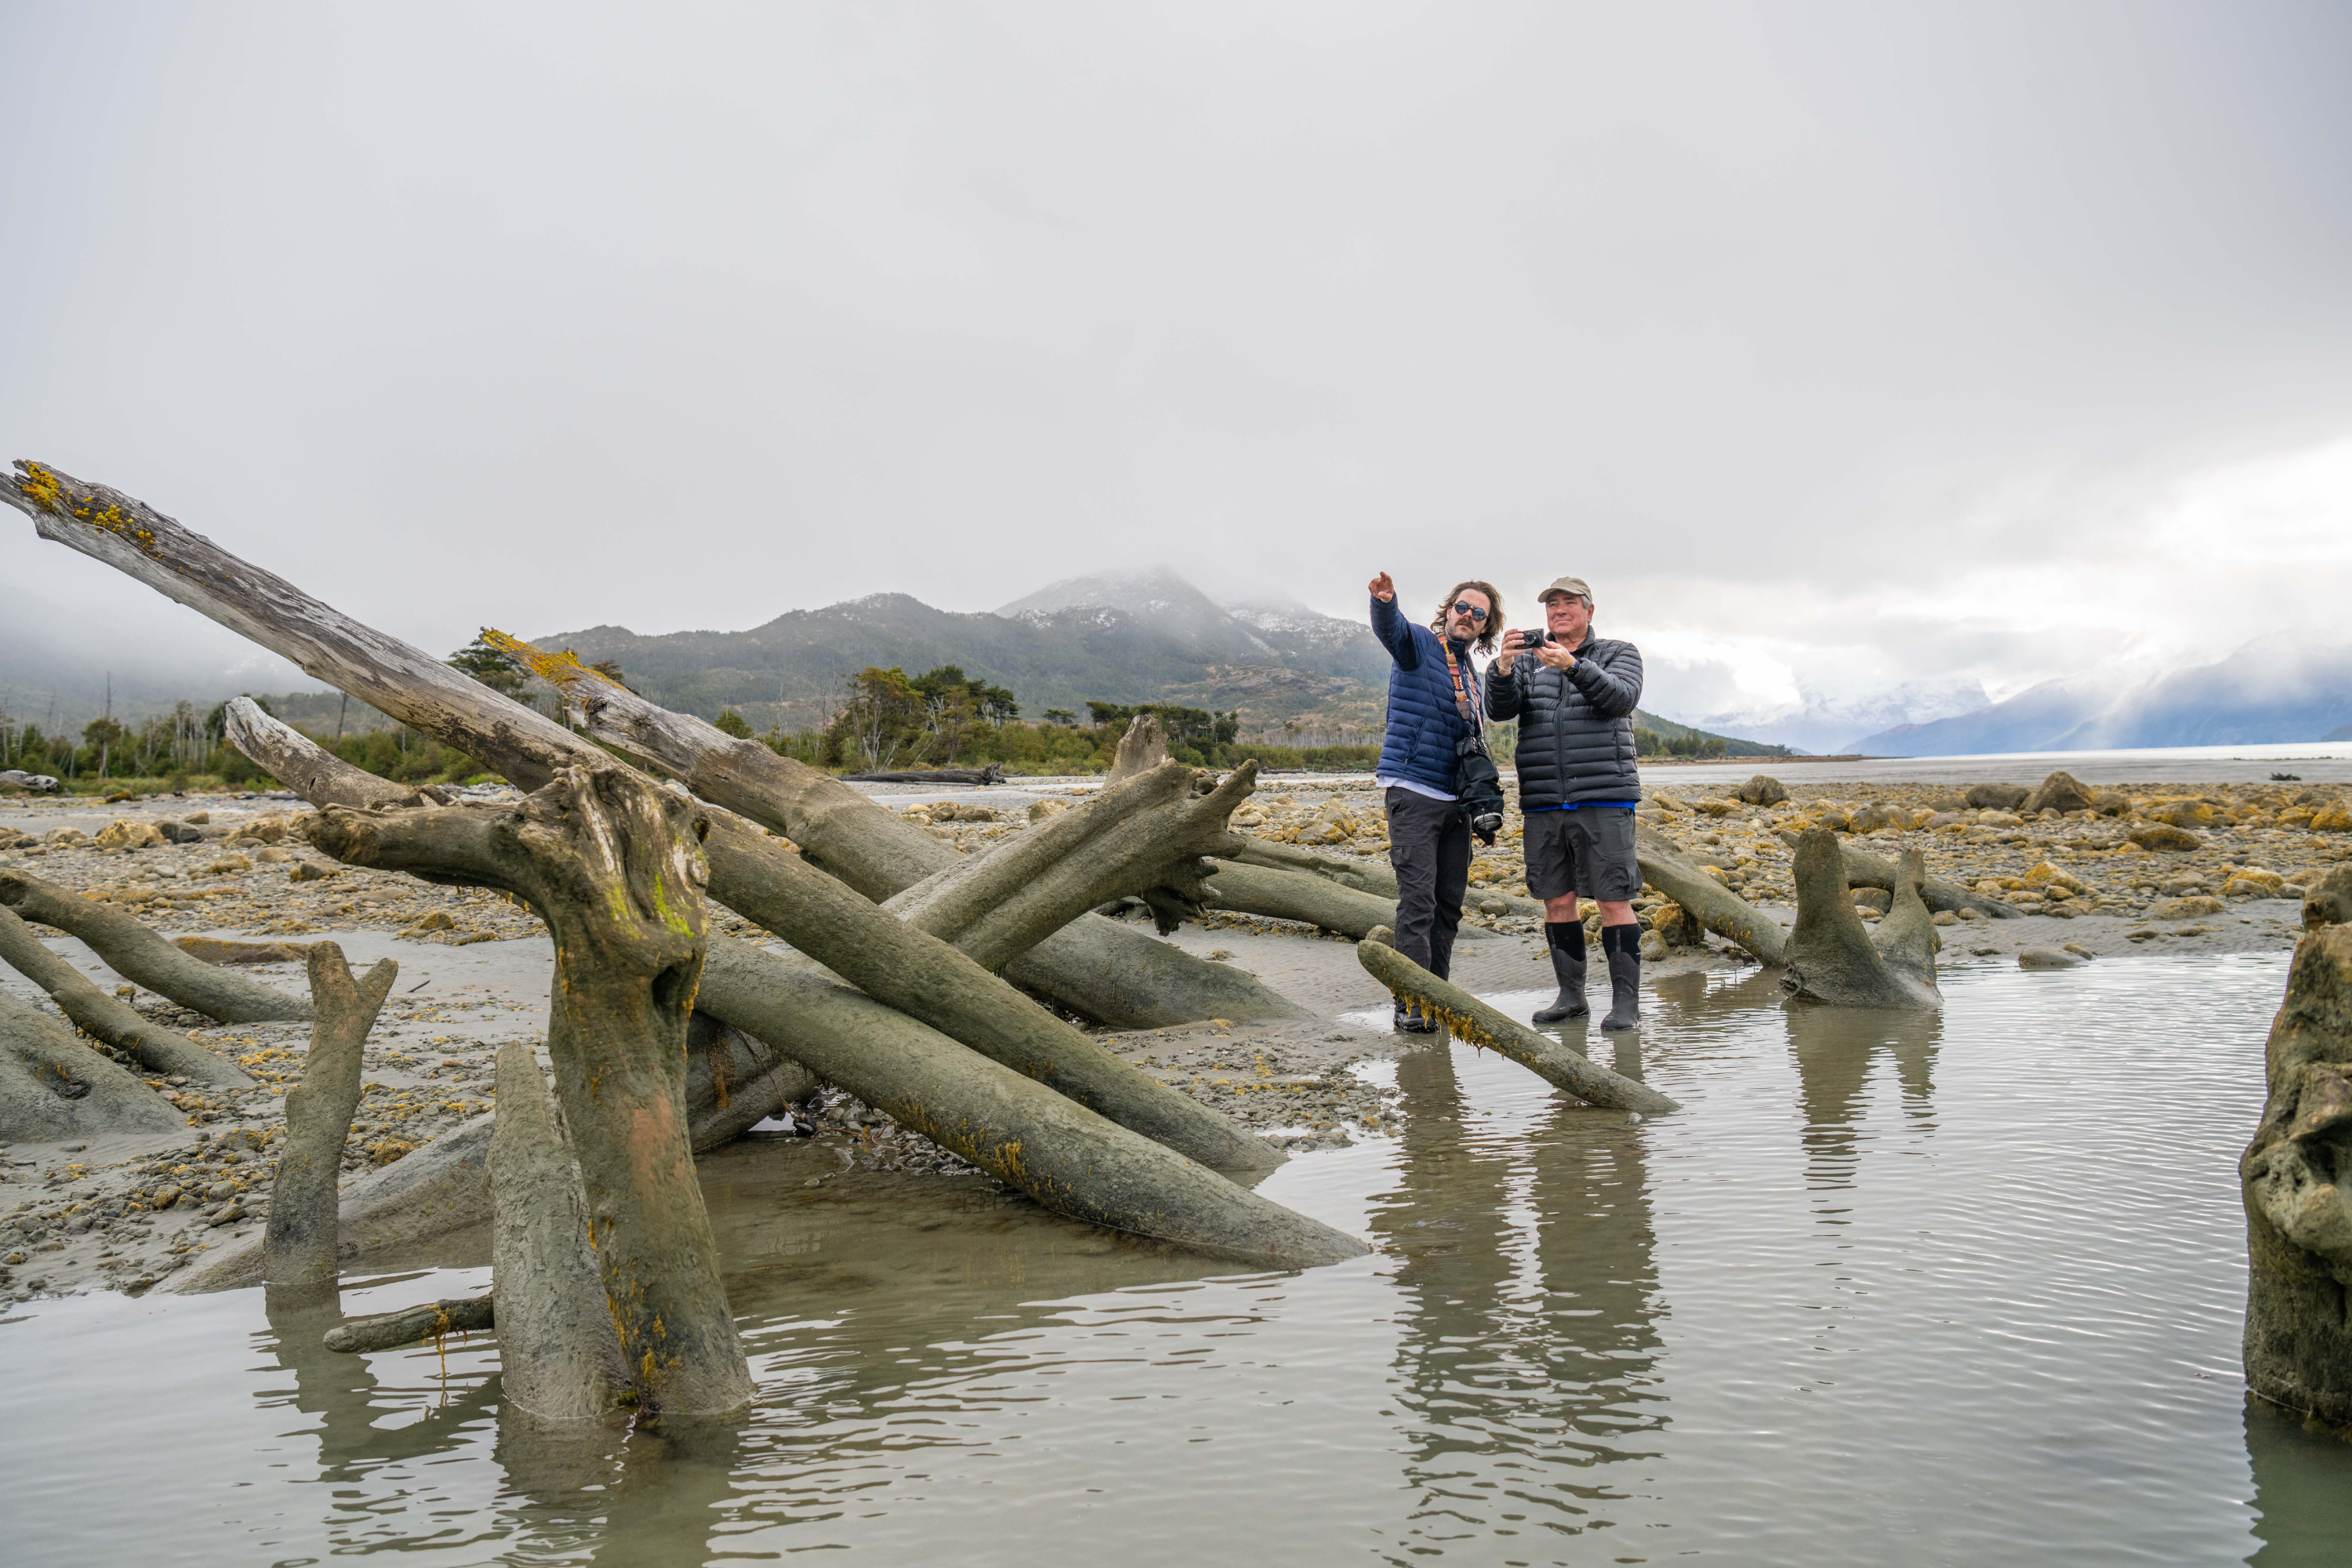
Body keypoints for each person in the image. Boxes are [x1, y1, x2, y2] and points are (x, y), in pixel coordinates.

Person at [1487, 575, 1647, 1031]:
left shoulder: (1619, 653)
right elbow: (1499, 711)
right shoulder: (1525, 661)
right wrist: (1501, 668)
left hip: (1604, 794)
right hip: (1542, 799)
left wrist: (1573, 665)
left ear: (1589, 611)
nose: (1559, 610)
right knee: (1556, 901)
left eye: (1569, 603)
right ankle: (1571, 998)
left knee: (1614, 899)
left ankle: (1626, 1005)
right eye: (1551, 604)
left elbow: (1621, 699)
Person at [1367, 570, 1502, 1033]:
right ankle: (1411, 1003)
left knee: (1448, 906)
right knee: (1418, 903)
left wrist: (1481, 811)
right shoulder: (1421, 645)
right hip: (1413, 791)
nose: (1467, 615)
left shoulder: (1473, 675)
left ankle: (1437, 998)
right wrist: (1386, 603)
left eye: (1477, 613)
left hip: (1456, 806)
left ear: (1486, 626)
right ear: (1448, 611)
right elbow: (1393, 631)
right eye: (1461, 607)